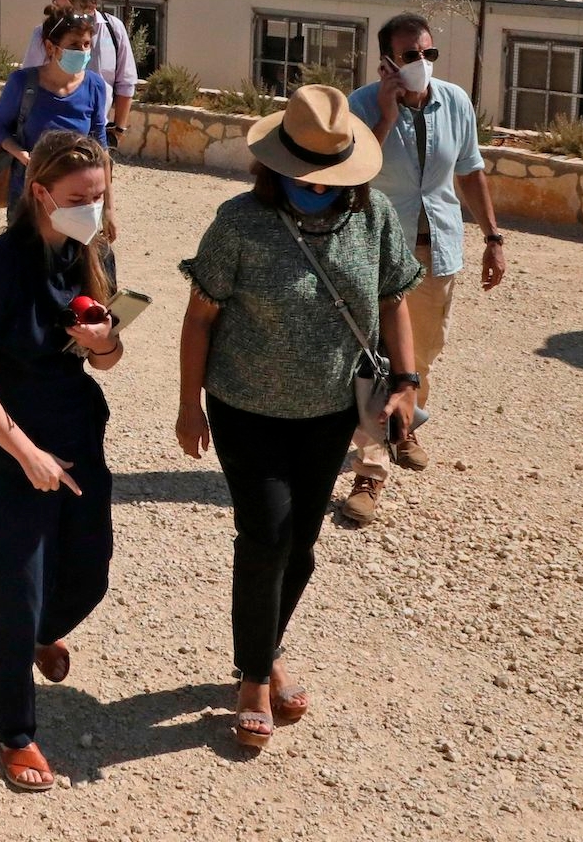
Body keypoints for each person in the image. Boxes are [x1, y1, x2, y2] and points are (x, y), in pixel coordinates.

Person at [175, 84, 421, 751]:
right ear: (275, 166)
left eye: (324, 177)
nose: (312, 187)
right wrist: (188, 404)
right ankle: (254, 676)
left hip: (329, 413)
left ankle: (266, 647)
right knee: (267, 536)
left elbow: (396, 299)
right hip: (244, 408)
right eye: (300, 176)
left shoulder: (373, 222)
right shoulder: (238, 223)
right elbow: (200, 317)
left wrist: (407, 381)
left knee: (303, 545)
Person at [0, 130, 122, 792]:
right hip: (11, 448)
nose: (93, 209)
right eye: (80, 198)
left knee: (90, 576)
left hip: (78, 432)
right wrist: (24, 453)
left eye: (100, 196)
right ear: (40, 192)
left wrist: (104, 343)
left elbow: (107, 360)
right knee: (14, 596)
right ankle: (16, 734)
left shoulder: (93, 252)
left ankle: (41, 635)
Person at [343, 12, 506, 521]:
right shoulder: (361, 105)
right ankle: (370, 474)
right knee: (377, 358)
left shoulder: (455, 101)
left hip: (437, 247)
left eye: (428, 54)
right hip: (376, 249)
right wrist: (387, 116)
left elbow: (471, 170)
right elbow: (348, 170)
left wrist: (493, 237)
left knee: (424, 351)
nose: (422, 64)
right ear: (388, 61)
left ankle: (403, 424)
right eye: (411, 56)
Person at [0, 12, 111, 211]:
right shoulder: (22, 82)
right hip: (27, 196)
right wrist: (22, 155)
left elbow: (101, 148)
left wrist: (108, 208)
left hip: (78, 200)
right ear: (50, 47)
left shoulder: (95, 85)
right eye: (74, 45)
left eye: (86, 44)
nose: (82, 51)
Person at [20, 0, 138, 147]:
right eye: (57, 5)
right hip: (49, 135)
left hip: (96, 135)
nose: (59, 13)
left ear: (91, 6)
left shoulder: (114, 30)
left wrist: (118, 131)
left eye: (66, 8)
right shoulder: (44, 34)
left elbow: (126, 82)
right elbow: (28, 80)